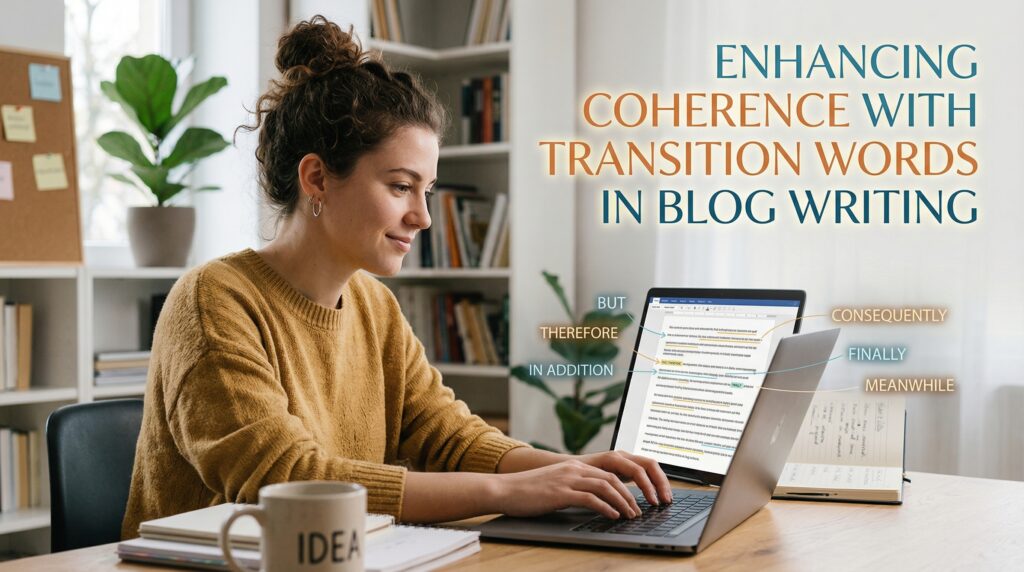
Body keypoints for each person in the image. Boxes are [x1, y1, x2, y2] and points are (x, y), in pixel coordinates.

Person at [121, 15, 671, 539]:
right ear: (317, 178)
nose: (423, 217)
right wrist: (508, 491)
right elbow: (285, 479)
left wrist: (571, 470)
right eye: (401, 187)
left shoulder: (373, 304)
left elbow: (447, 434)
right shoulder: (213, 300)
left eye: (426, 191)